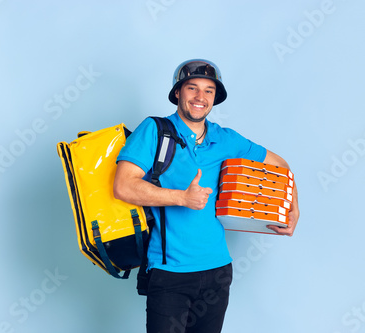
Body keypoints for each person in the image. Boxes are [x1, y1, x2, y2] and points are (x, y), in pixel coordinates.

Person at [113, 59, 299, 333]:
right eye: (192, 88)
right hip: (169, 273)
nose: (200, 97)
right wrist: (182, 198)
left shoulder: (226, 139)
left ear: (215, 97)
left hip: (218, 271)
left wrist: (294, 208)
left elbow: (281, 166)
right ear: (178, 92)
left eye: (209, 90)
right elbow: (123, 186)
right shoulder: (154, 131)